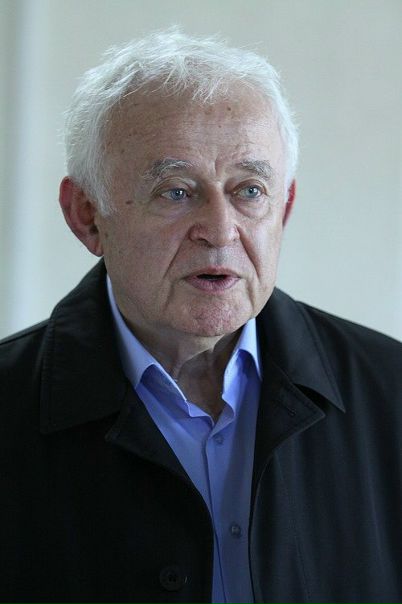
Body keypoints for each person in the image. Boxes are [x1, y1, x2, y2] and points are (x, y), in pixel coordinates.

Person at [0, 29, 401, 604]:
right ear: (88, 216)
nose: (219, 230)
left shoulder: (390, 388)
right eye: (176, 192)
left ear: (284, 208)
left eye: (249, 190)